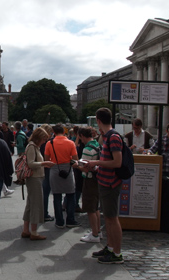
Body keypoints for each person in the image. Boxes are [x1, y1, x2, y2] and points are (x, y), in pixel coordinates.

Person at [86, 107, 124, 264]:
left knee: (112, 218)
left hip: (110, 183)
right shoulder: (107, 136)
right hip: (104, 181)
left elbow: (117, 162)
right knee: (107, 217)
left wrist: (96, 162)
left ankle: (117, 253)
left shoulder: (113, 137)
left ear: (99, 121)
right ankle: (109, 247)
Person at [21, 128, 55, 240]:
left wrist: (43, 164)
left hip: (35, 178)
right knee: (36, 205)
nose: (45, 141)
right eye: (44, 139)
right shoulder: (32, 147)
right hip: (34, 178)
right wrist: (44, 163)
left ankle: (26, 230)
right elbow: (31, 163)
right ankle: (34, 232)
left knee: (30, 204)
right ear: (39, 137)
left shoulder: (33, 146)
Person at [44, 124, 80, 229]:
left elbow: (47, 159)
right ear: (64, 132)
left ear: (53, 133)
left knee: (57, 196)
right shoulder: (70, 143)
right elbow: (75, 159)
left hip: (55, 170)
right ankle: (70, 219)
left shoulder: (49, 143)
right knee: (70, 195)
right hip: (68, 170)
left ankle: (59, 221)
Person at [77, 127, 102, 243]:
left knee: (90, 208)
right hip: (97, 179)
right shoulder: (97, 144)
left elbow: (85, 168)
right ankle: (97, 231)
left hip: (89, 179)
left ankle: (95, 234)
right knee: (95, 207)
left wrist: (76, 165)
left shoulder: (87, 149)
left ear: (82, 135)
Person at [40, 124, 54, 222]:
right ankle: (44, 213)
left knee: (42, 192)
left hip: (39, 170)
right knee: (45, 192)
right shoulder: (48, 143)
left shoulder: (38, 142)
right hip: (46, 169)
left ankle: (40, 212)